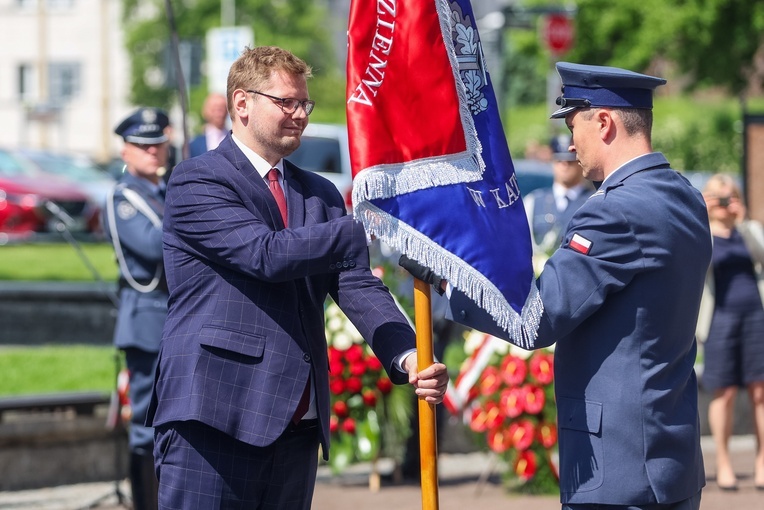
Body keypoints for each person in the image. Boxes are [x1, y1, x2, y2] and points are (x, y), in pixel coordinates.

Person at [146, 45, 448, 509]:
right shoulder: (197, 180)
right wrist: (365, 224)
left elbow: (356, 284)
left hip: (296, 428)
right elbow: (264, 254)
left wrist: (409, 355)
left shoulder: (319, 193)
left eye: (304, 104)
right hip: (214, 419)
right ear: (242, 103)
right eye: (285, 102)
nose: (299, 114)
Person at [402, 62, 711, 509]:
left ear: (603, 122)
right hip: (671, 461)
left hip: (618, 470)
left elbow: (537, 319)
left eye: (573, 123)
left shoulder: (612, 211)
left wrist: (450, 279)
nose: (569, 142)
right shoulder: (684, 195)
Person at [104, 107, 171, 510]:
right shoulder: (124, 197)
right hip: (147, 317)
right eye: (143, 146)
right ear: (125, 150)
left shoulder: (166, 192)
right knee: (146, 424)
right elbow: (152, 246)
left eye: (157, 145)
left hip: (172, 314)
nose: (152, 152)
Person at [697, 173, 764, 491]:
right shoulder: (701, 233)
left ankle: (762, 459)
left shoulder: (749, 231)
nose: (724, 203)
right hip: (719, 320)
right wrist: (703, 211)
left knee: (760, 392)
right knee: (722, 393)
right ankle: (723, 462)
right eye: (717, 197)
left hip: (756, 317)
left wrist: (743, 219)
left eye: (729, 197)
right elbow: (698, 262)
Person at [524, 134, 594, 258]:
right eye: (559, 161)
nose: (564, 166)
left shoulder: (593, 202)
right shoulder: (534, 200)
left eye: (570, 161)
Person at [188, 92, 228, 158]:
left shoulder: (235, 139)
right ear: (206, 111)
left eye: (221, 108)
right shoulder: (194, 144)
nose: (218, 113)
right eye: (214, 109)